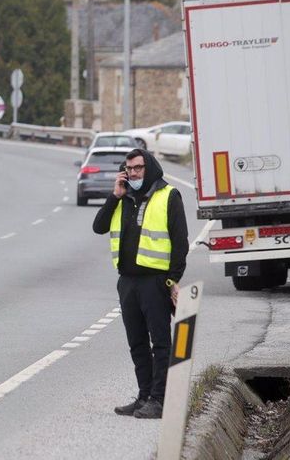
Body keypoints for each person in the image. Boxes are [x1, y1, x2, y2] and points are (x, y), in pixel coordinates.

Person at [92, 149, 188, 419]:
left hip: (155, 282)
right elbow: (98, 227)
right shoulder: (123, 198)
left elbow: (180, 244)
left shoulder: (169, 196)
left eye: (138, 168)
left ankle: (160, 399)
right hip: (128, 283)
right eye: (129, 168)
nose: (133, 173)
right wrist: (115, 196)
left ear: (150, 167)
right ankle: (144, 396)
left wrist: (172, 281)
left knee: (160, 343)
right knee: (136, 343)